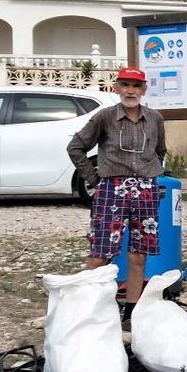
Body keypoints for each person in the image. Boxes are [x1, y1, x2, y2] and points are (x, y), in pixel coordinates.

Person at [66, 66, 166, 323]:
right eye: (125, 85)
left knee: (138, 253)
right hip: (112, 188)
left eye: (135, 86)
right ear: (116, 88)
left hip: (145, 189)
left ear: (143, 89)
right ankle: (93, 310)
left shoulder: (155, 118)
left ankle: (131, 312)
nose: (130, 91)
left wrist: (150, 176)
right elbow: (76, 147)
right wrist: (95, 179)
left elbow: (160, 151)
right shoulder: (105, 117)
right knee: (100, 253)